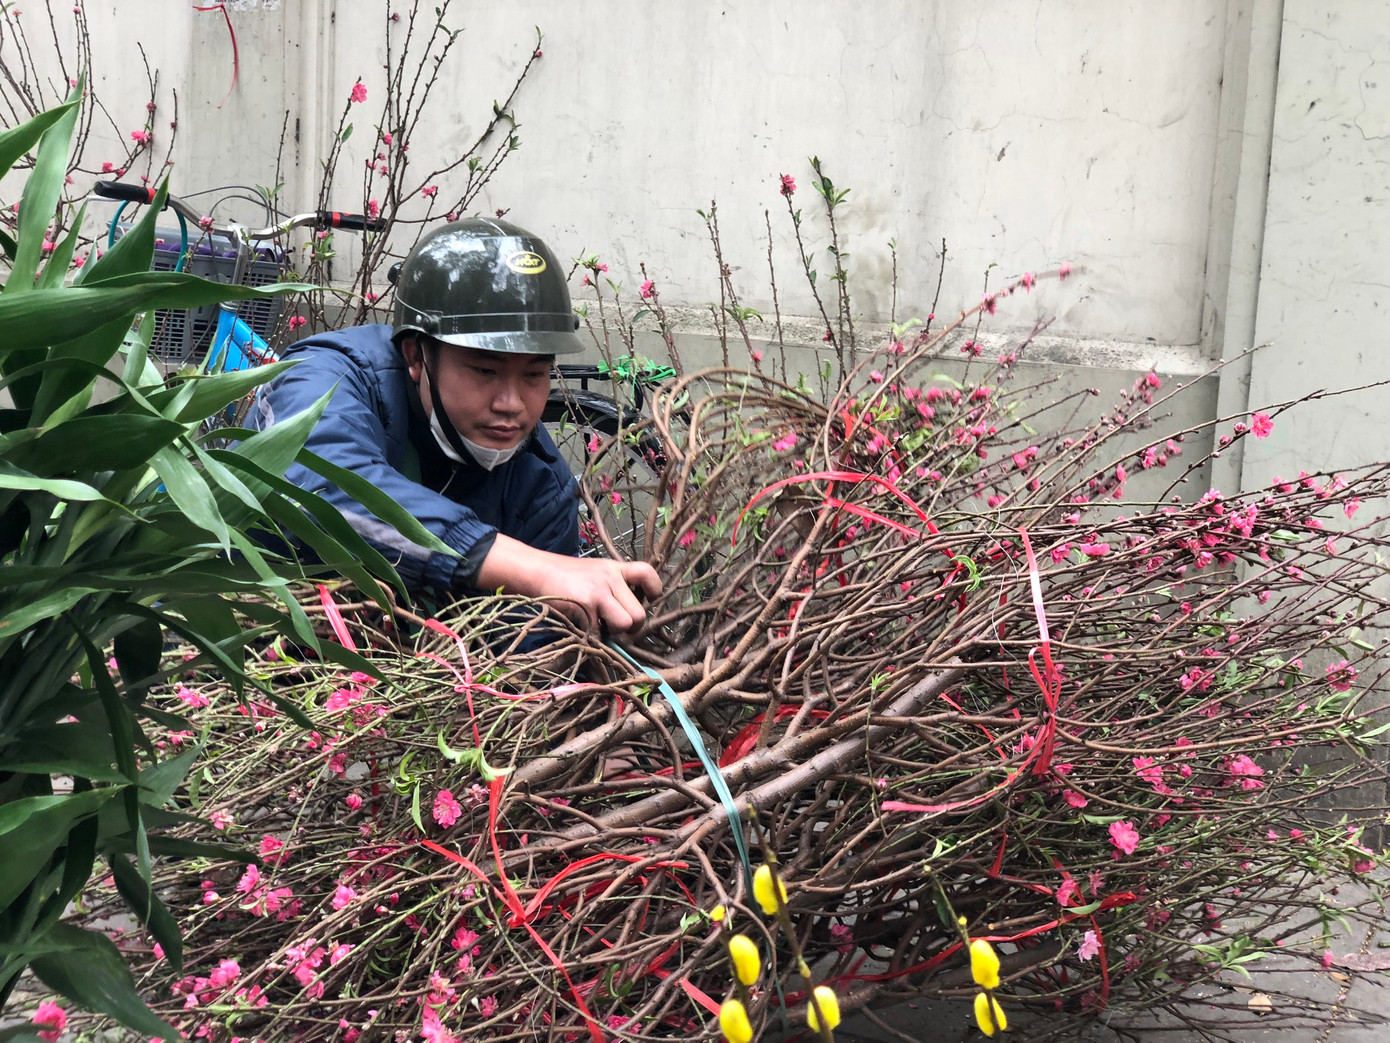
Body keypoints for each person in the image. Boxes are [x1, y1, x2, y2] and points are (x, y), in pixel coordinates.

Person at [249, 217, 661, 631]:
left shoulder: (541, 485)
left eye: (534, 374)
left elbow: (531, 645)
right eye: (485, 370)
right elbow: (314, 480)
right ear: (415, 355)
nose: (511, 404)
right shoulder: (329, 376)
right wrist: (527, 567)